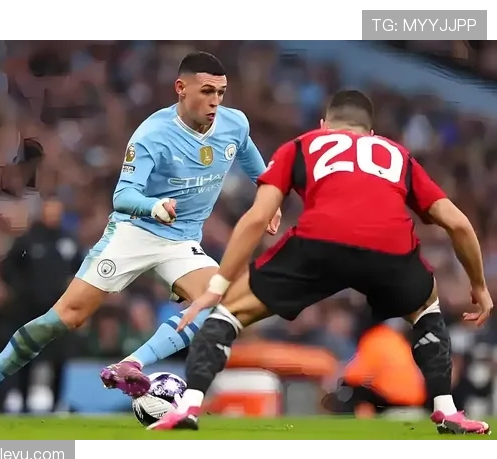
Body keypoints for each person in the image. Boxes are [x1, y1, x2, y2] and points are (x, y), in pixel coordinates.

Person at [0, 51, 281, 423]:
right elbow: (123, 196)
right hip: (135, 232)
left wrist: (269, 200)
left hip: (181, 242)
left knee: (219, 303)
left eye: (221, 92)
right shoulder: (153, 135)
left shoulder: (233, 124)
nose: (215, 101)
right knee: (65, 317)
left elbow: (253, 161)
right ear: (180, 88)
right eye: (207, 91)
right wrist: (154, 206)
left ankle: (132, 363)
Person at [149, 89, 493, 434]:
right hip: (389, 247)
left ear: (323, 125)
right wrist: (478, 286)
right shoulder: (398, 155)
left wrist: (219, 285)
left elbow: (257, 218)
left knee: (227, 314)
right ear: (371, 133)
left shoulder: (302, 144)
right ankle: (447, 411)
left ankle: (189, 406)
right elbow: (459, 224)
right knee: (427, 310)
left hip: (319, 240)